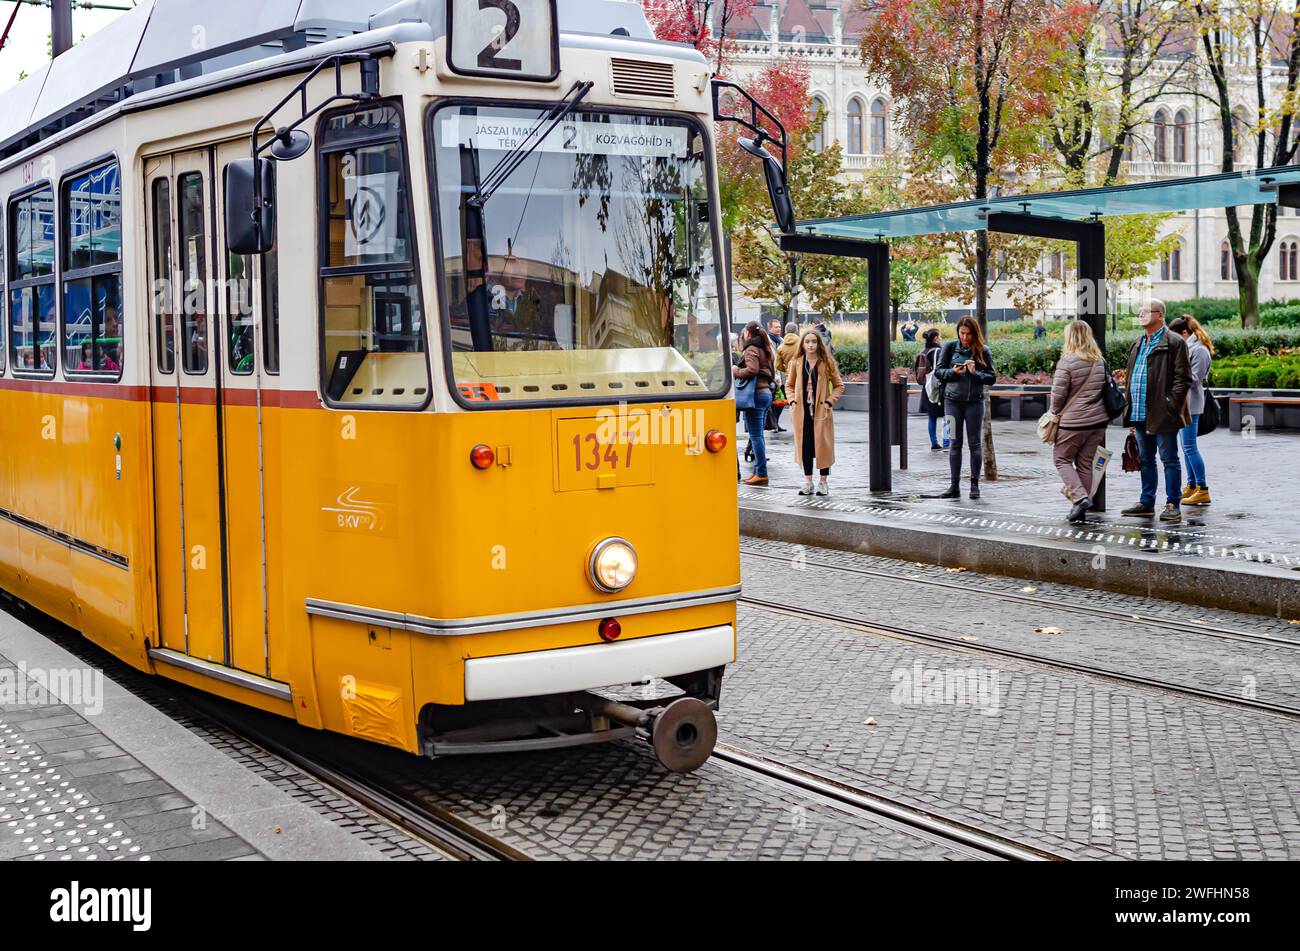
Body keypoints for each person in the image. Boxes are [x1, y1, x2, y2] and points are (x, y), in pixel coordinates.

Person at [1118, 298, 1192, 523]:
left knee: (1169, 458)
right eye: (1139, 311)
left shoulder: (1175, 342)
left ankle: (1172, 504)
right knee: (1146, 459)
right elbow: (1131, 377)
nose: (1141, 314)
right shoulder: (1137, 342)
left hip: (1164, 413)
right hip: (1139, 411)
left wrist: (1170, 404)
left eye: (1146, 311)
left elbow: (1183, 378)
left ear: (1160, 315)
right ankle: (1147, 502)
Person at [1049, 320, 1109, 523]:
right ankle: (1081, 507)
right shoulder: (1099, 360)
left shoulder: (1067, 362)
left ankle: (1081, 498)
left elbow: (1057, 396)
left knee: (1061, 459)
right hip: (1098, 421)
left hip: (1073, 422)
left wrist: (1054, 414)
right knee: (1085, 463)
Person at [934, 316, 996, 499]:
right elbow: (938, 372)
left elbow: (991, 378)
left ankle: (974, 485)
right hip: (951, 403)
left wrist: (975, 373)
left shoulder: (983, 351)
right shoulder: (949, 347)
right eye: (962, 333)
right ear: (958, 332)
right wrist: (953, 372)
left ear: (975, 333)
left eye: (969, 334)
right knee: (954, 443)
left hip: (974, 403)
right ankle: (954, 485)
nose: (965, 337)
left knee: (975, 443)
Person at [787, 329, 844, 496]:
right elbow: (789, 385)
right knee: (805, 446)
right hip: (801, 412)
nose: (810, 344)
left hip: (821, 412)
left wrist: (829, 401)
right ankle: (808, 482)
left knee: (823, 446)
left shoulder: (827, 362)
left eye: (814, 341)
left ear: (819, 344)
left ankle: (823, 482)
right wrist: (792, 401)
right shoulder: (796, 362)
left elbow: (839, 385)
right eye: (807, 342)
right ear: (802, 344)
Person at [1168, 314, 1213, 506]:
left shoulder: (1200, 350)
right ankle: (1192, 485)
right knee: (1186, 448)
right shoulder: (1188, 347)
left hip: (1191, 405)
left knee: (1189, 447)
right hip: (1182, 404)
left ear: (1184, 333)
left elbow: (1193, 378)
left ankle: (1203, 489)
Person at [735, 321, 775, 486]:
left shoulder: (751, 349)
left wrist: (736, 371)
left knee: (756, 436)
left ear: (749, 334)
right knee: (758, 435)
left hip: (756, 395)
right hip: (765, 393)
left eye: (744, 332)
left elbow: (752, 370)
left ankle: (762, 473)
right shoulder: (765, 348)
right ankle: (758, 471)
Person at [913, 328, 950, 451]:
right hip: (939, 387)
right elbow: (942, 369)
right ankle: (947, 443)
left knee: (932, 416)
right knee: (949, 415)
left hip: (927, 387)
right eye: (939, 336)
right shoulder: (938, 351)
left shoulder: (923, 351)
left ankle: (934, 443)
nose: (940, 339)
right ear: (935, 338)